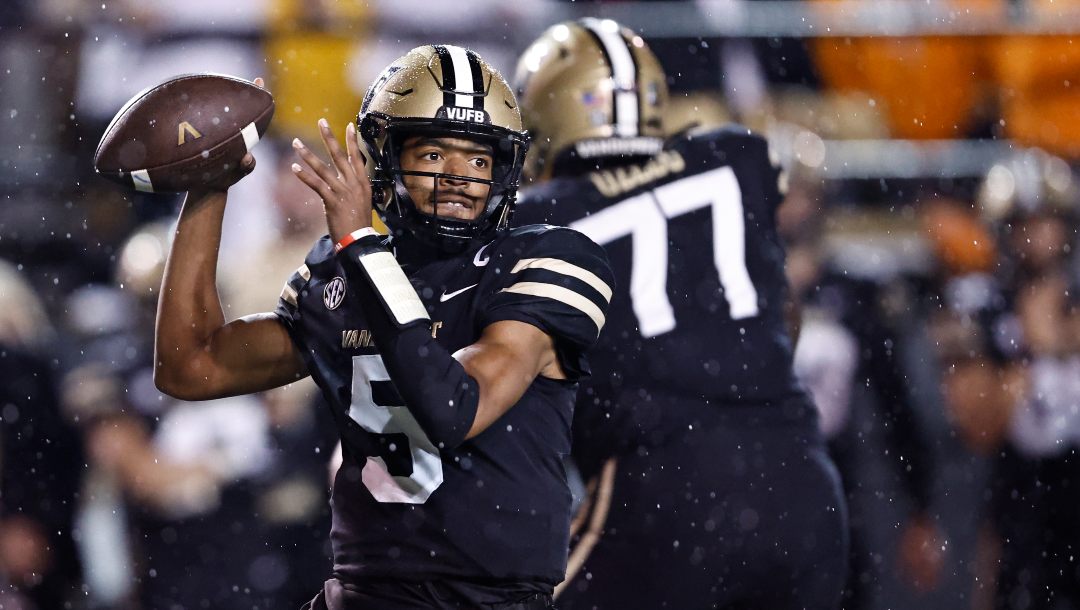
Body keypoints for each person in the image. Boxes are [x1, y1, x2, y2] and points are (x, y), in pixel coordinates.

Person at [153, 45, 614, 610]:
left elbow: (456, 408)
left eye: (478, 160)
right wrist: (207, 189)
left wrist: (359, 245)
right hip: (363, 591)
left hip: (487, 601)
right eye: (434, 154)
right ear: (385, 160)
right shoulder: (340, 273)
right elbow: (190, 366)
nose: (458, 177)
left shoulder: (547, 259)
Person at [512, 19, 848, 609]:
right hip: (800, 478)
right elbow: (784, 315)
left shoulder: (537, 219)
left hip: (666, 494)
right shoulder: (734, 155)